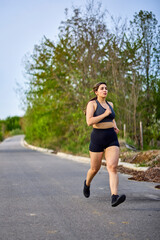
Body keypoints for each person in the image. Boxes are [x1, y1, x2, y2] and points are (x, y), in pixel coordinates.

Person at [83, 82, 126, 207]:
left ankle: (114, 197)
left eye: (106, 88)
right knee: (94, 169)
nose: (105, 90)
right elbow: (89, 121)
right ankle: (87, 184)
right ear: (96, 92)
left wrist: (115, 126)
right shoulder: (92, 104)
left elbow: (112, 117)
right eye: (102, 88)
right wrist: (105, 114)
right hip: (97, 138)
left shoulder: (110, 104)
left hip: (111, 138)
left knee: (112, 167)